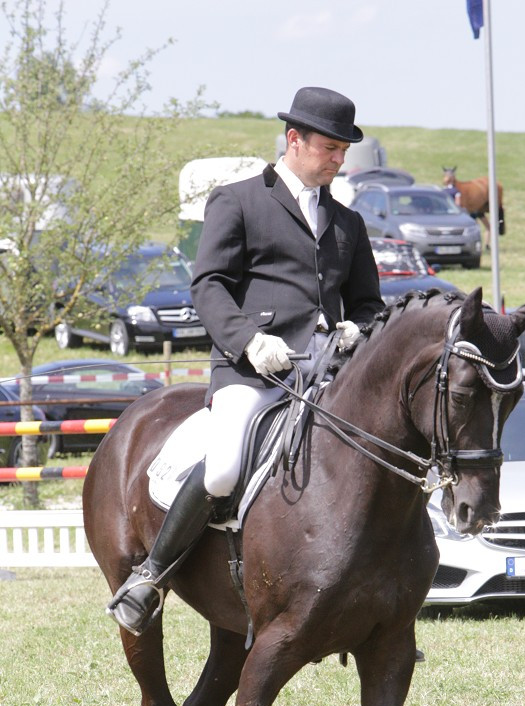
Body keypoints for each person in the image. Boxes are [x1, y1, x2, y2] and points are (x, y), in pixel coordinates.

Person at [107, 86, 385, 636]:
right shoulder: (237, 200)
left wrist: (361, 326)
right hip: (252, 371)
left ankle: (383, 600)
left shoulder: (347, 223)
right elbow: (208, 285)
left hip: (325, 375)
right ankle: (151, 576)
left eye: (343, 151)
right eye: (330, 148)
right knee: (225, 465)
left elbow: (370, 303)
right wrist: (248, 341)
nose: (339, 160)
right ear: (294, 140)